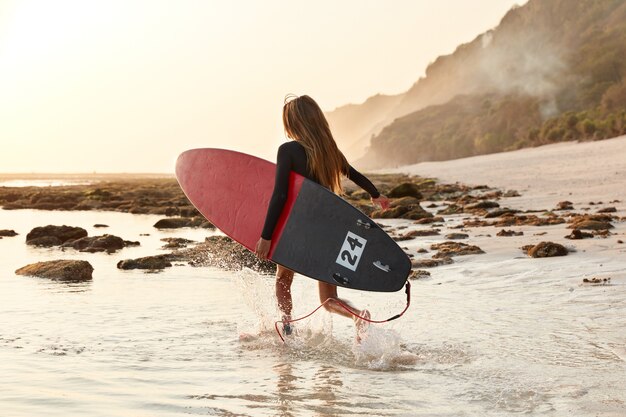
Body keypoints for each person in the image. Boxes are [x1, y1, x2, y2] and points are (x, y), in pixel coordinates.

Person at [255, 95, 389, 339]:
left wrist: (266, 236)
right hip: (330, 228)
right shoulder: (329, 152)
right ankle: (358, 316)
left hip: (297, 227)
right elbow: (354, 174)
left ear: (292, 123)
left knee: (283, 280)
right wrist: (376, 195)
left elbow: (280, 196)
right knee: (329, 299)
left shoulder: (288, 151)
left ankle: (287, 329)